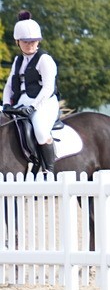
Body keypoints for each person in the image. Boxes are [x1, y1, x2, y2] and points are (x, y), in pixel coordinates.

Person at [2, 11, 59, 173]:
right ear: (17, 42)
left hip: (44, 103)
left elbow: (48, 88)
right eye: (26, 42)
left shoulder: (45, 60)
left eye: (33, 41)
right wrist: (6, 104)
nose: (30, 44)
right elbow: (9, 86)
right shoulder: (18, 60)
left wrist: (33, 107)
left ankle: (48, 170)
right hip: (21, 103)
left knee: (41, 132)